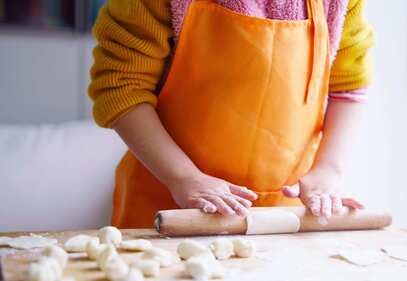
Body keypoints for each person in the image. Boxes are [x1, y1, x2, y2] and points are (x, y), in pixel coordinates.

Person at [88, 0, 373, 228]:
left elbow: (348, 91)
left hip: (283, 215)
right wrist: (183, 178)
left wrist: (328, 170)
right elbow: (122, 86)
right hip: (167, 205)